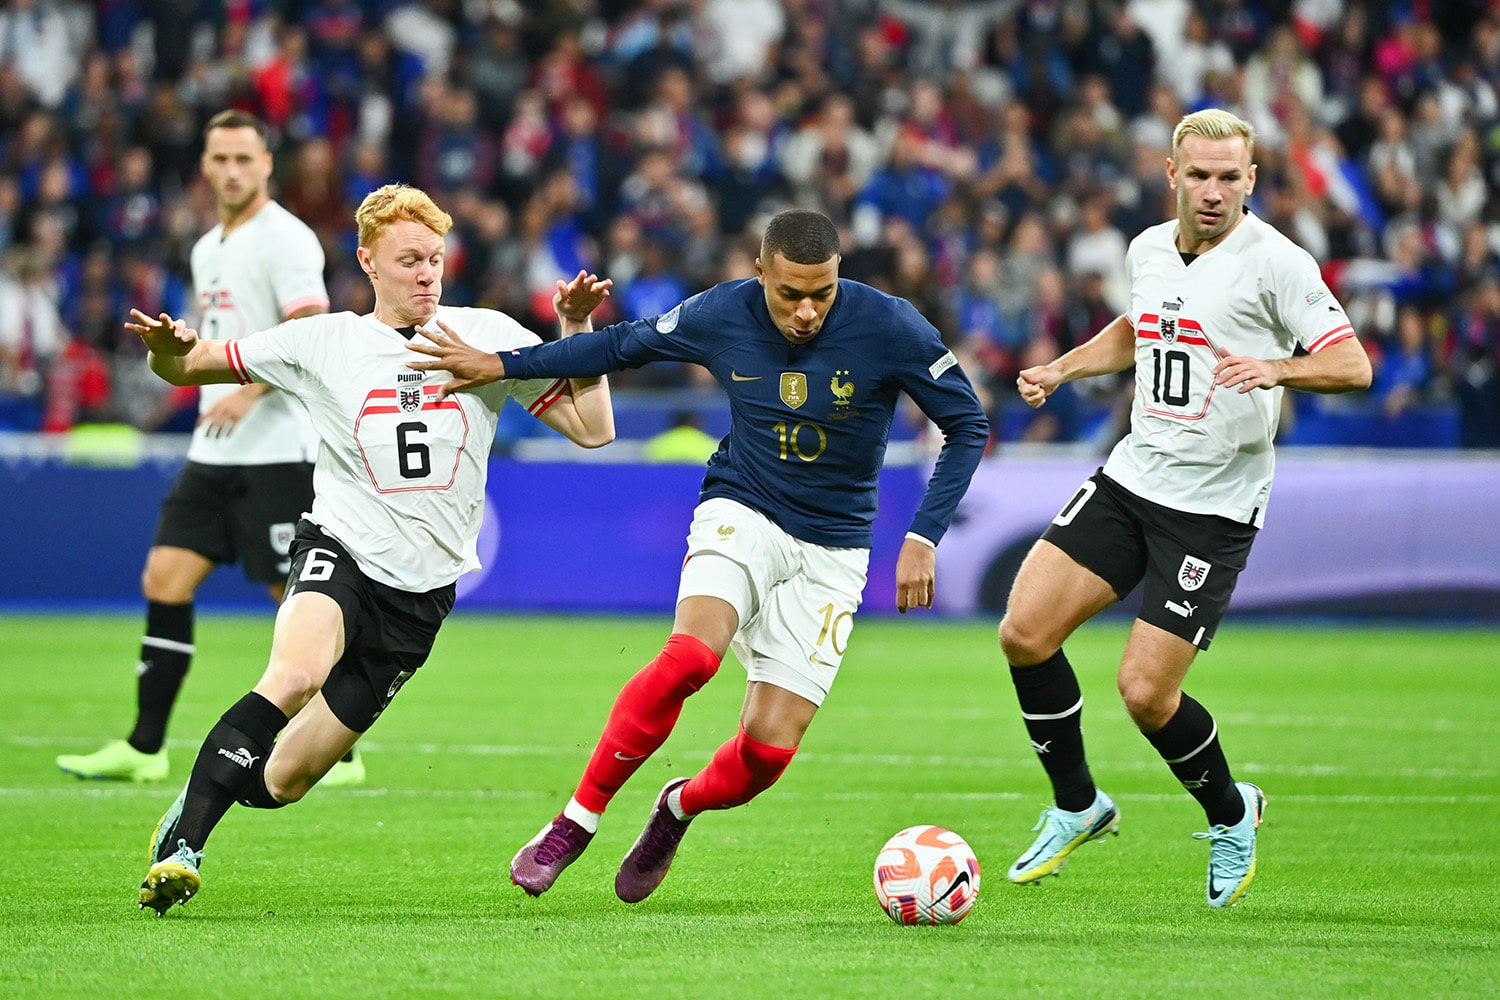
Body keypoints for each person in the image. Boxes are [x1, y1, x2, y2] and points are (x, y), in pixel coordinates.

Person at [407, 208, 989, 903]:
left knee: (766, 755)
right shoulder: (722, 312)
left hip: (833, 549)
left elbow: (967, 422)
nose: (807, 312)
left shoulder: (891, 325)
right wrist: (502, 365)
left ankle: (676, 808)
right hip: (742, 506)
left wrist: (922, 535)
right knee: (691, 658)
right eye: (790, 294)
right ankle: (574, 822)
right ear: (760, 273)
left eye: (822, 294)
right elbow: (620, 347)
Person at [127, 183, 615, 914]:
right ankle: (184, 848)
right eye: (410, 259)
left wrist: (577, 333)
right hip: (340, 550)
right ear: (368, 262)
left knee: (285, 780)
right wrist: (166, 356)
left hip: (419, 599)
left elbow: (593, 430)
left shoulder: (485, 335)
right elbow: (189, 365)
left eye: (436, 259)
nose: (426, 273)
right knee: (293, 674)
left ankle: (204, 796)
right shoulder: (322, 341)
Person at [996, 109, 1372, 908]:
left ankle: (1233, 813)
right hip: (1135, 474)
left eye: (1229, 177)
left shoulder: (1277, 262)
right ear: (1172, 174)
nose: (1213, 192)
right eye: (1198, 175)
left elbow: (1352, 363)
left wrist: (1277, 369)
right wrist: (1062, 369)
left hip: (1213, 506)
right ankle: (1078, 806)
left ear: (1252, 180)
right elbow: (1142, 329)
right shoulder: (1145, 249)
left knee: (1145, 693)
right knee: (1024, 633)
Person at [54, 110, 369, 786]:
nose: (231, 171)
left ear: (266, 165)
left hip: (279, 449)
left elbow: (310, 324)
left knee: (297, 597)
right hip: (214, 449)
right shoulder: (207, 247)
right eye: (219, 159)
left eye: (243, 159)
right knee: (163, 579)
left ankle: (339, 750)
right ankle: (144, 748)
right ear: (204, 165)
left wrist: (248, 389)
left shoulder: (286, 238)